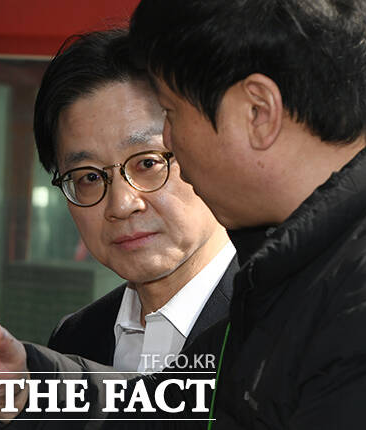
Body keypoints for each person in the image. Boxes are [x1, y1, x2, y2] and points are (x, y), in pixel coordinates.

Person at [0, 0, 366, 428]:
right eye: (88, 177)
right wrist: (19, 384)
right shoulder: (302, 275)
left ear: (258, 112)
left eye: (164, 132)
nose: (123, 202)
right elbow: (177, 414)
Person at [35, 30, 236, 372]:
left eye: (147, 163)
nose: (121, 204)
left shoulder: (288, 325)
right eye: (89, 177)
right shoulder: (74, 340)